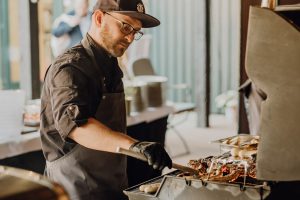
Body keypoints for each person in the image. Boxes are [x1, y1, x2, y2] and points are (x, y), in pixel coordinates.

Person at [40, 0, 172, 199]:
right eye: (126, 26)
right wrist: (135, 146)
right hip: (74, 189)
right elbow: (77, 127)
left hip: (111, 185)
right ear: (99, 18)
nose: (130, 38)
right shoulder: (70, 67)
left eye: (136, 32)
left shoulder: (111, 67)